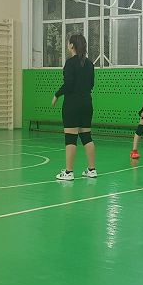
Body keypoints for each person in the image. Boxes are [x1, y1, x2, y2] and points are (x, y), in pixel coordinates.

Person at [52, 33, 96, 181]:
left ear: (71, 45)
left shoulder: (70, 63)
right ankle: (91, 170)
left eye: (68, 43)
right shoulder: (90, 64)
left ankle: (69, 172)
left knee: (70, 138)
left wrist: (57, 95)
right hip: (87, 104)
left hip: (72, 105)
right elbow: (91, 84)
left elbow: (68, 84)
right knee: (86, 136)